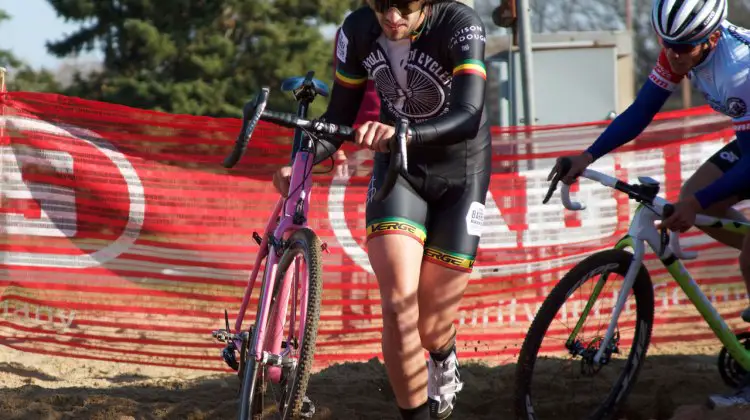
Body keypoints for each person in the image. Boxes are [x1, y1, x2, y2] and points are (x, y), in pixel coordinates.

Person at [273, 1, 490, 418]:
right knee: (397, 305)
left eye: (405, 7)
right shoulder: (356, 31)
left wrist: (402, 131)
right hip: (399, 171)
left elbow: (468, 115)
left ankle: (443, 354)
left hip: (461, 172)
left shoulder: (461, 24)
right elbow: (339, 116)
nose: (392, 17)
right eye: (381, 5)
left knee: (430, 327)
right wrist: (300, 162)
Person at [547, 0, 750, 408]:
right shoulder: (680, 50)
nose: (674, 54)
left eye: (684, 46)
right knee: (696, 195)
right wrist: (588, 156)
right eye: (667, 44)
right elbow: (641, 111)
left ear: (711, 38)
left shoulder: (739, 69)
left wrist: (697, 203)